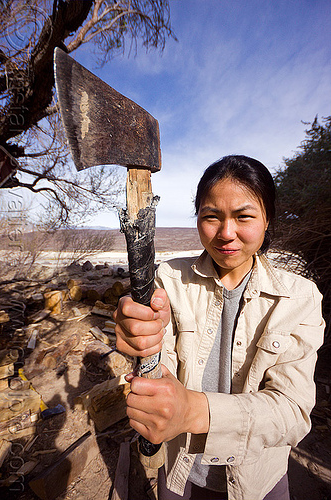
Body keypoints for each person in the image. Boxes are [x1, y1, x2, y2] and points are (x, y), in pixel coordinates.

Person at [114, 155, 324, 500]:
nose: (226, 233)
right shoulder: (169, 279)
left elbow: (292, 412)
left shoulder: (300, 297)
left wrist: (194, 411)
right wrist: (144, 338)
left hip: (259, 479)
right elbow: (156, 365)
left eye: (244, 216)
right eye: (211, 217)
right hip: (181, 471)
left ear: (267, 219)